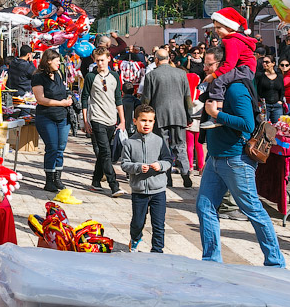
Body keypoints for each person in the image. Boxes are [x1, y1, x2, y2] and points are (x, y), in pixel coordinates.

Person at [194, 53, 286, 268]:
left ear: (224, 65)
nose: (205, 68)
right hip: (216, 158)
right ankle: (211, 260)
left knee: (252, 210)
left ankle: (275, 262)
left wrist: (216, 114)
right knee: (204, 207)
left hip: (236, 159)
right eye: (205, 65)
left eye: (209, 65)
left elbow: (247, 124)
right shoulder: (217, 88)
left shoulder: (236, 89)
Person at [137, 48, 193, 188]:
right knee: (180, 146)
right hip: (179, 115)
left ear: (156, 60)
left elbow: (147, 98)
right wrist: (189, 115)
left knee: (163, 147)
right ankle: (185, 174)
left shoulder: (152, 75)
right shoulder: (181, 74)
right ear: (169, 59)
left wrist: (143, 113)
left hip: (160, 115)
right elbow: (187, 96)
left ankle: (167, 177)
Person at [121, 105, 173, 253]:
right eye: (143, 120)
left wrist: (160, 165)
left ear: (154, 122)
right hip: (139, 191)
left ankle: (157, 250)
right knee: (138, 222)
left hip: (158, 191)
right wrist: (137, 167)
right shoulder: (129, 143)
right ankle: (135, 238)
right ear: (135, 121)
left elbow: (169, 160)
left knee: (158, 224)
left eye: (150, 121)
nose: (146, 124)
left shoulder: (159, 141)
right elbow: (124, 164)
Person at [200, 7, 257, 130]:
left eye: (219, 27)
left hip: (244, 69)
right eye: (215, 28)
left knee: (219, 80)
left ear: (230, 27)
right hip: (245, 68)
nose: (216, 31)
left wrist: (213, 75)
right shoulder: (231, 39)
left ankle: (217, 113)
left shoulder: (232, 41)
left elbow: (229, 64)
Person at [82, 47, 127, 197]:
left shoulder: (114, 76)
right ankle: (114, 185)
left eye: (102, 60)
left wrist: (122, 120)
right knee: (106, 152)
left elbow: (118, 99)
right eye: (97, 60)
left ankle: (95, 182)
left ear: (108, 59)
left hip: (111, 118)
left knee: (103, 153)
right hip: (96, 118)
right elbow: (84, 98)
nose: (100, 63)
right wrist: (85, 120)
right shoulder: (90, 76)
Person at [32, 48, 74, 195]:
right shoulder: (38, 77)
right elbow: (40, 99)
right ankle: (49, 180)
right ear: (49, 61)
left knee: (60, 148)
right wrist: (61, 103)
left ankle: (58, 178)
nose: (59, 63)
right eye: (56, 61)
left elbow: (64, 89)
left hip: (62, 116)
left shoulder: (58, 74)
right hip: (46, 116)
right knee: (52, 147)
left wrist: (68, 98)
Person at [254, 56, 286, 124]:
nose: (264, 64)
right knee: (263, 126)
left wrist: (280, 100)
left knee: (278, 126)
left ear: (273, 63)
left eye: (267, 62)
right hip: (264, 106)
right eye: (263, 62)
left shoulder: (279, 76)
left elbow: (282, 89)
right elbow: (255, 89)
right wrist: (258, 101)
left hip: (277, 105)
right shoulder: (259, 75)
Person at [185, 68, 204, 175]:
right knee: (199, 145)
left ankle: (190, 166)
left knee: (189, 145)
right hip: (199, 122)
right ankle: (200, 166)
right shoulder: (200, 93)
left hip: (188, 122)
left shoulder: (185, 95)